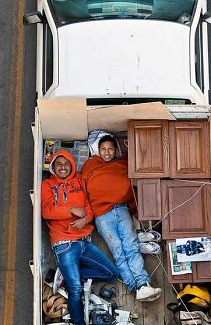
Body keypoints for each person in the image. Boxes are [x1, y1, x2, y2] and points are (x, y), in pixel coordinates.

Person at [82, 131, 162, 302]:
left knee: (131, 245)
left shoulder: (122, 163)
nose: (107, 152)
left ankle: (143, 284)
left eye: (110, 148)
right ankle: (135, 287)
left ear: (115, 150)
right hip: (102, 216)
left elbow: (128, 186)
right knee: (118, 251)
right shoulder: (90, 165)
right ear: (98, 150)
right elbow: (86, 190)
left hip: (121, 209)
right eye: (103, 148)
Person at [42, 150, 119, 325]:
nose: (63, 167)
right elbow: (47, 211)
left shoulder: (78, 180)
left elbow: (88, 207)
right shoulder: (47, 185)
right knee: (75, 290)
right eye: (59, 164)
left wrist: (85, 219)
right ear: (53, 167)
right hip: (63, 243)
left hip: (83, 241)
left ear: (72, 165)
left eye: (66, 163)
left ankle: (67, 278)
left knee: (112, 273)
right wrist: (70, 210)